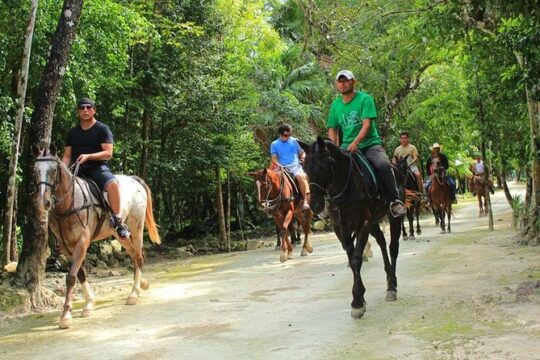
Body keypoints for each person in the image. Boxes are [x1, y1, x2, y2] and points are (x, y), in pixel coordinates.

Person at [327, 69, 406, 217]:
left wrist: (356, 142)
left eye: (346, 80)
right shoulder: (335, 106)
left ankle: (394, 200)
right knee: (329, 168)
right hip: (346, 148)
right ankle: (328, 203)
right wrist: (333, 148)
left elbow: (367, 124)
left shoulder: (364, 99)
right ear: (337, 84)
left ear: (353, 82)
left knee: (383, 165)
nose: (343, 84)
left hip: (369, 145)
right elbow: (332, 129)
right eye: (340, 81)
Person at [62, 97, 130, 239]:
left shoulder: (102, 129)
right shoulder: (72, 133)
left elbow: (108, 153)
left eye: (88, 107)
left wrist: (89, 156)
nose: (85, 110)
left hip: (97, 168)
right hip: (77, 170)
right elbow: (67, 156)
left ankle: (118, 222)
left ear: (94, 110)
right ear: (78, 112)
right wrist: (62, 171)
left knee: (112, 185)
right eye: (82, 107)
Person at [270, 123, 310, 210]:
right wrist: (279, 165)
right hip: (282, 167)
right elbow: (274, 158)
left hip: (295, 166)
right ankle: (271, 204)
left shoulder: (294, 141)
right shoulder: (274, 144)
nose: (288, 137)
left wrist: (303, 157)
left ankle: (305, 201)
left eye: (289, 135)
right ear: (280, 134)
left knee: (300, 177)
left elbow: (302, 152)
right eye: (285, 135)